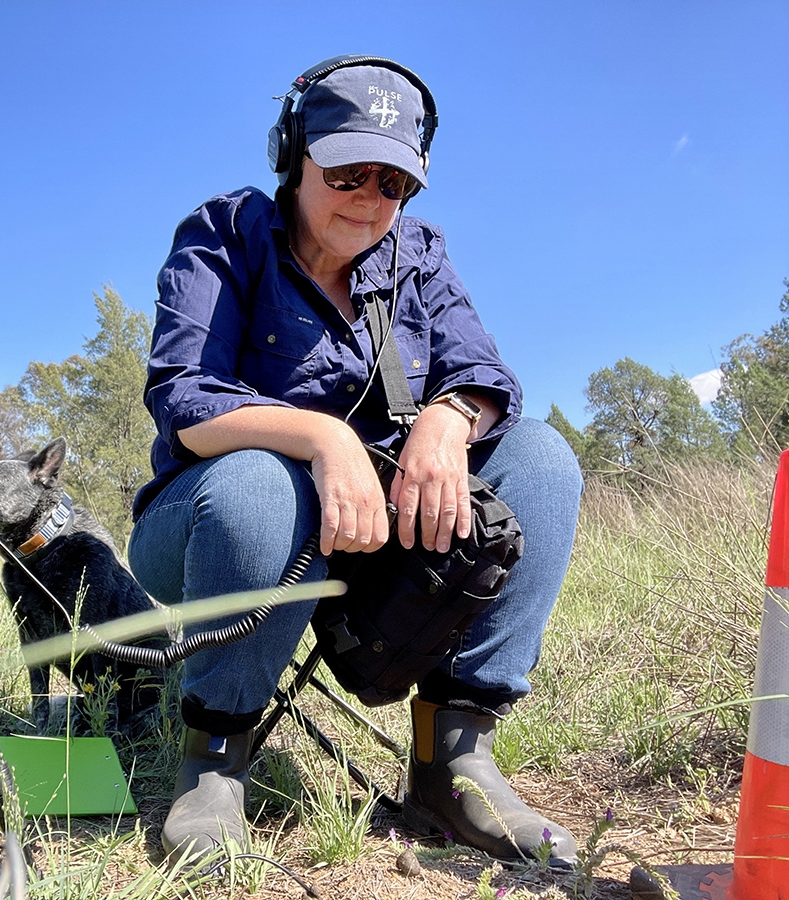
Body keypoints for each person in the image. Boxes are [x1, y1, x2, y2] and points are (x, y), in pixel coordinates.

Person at [126, 55, 582, 867]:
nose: (371, 199)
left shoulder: (419, 254)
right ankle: (214, 763)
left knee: (541, 458)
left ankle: (454, 762)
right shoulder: (222, 234)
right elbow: (184, 398)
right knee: (263, 482)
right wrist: (323, 438)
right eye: (348, 172)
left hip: (375, 535)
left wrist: (448, 418)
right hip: (217, 526)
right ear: (292, 154)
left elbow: (486, 374)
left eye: (395, 182)